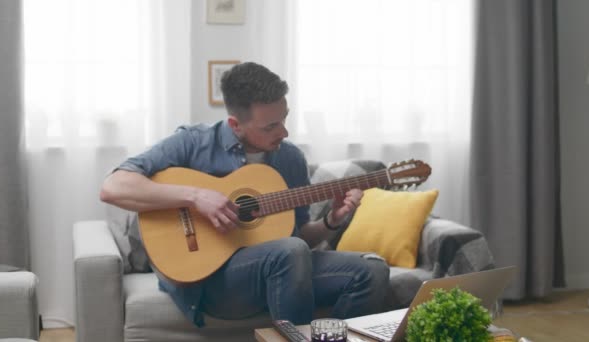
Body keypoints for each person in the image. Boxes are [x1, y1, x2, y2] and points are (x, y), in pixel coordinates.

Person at [100, 62, 389, 326]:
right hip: (211, 280)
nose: (284, 132)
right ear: (235, 125)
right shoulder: (193, 143)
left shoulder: (290, 159)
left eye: (284, 119)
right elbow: (113, 187)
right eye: (270, 126)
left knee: (372, 271)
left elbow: (298, 236)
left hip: (282, 269)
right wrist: (196, 196)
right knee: (290, 251)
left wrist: (332, 221)